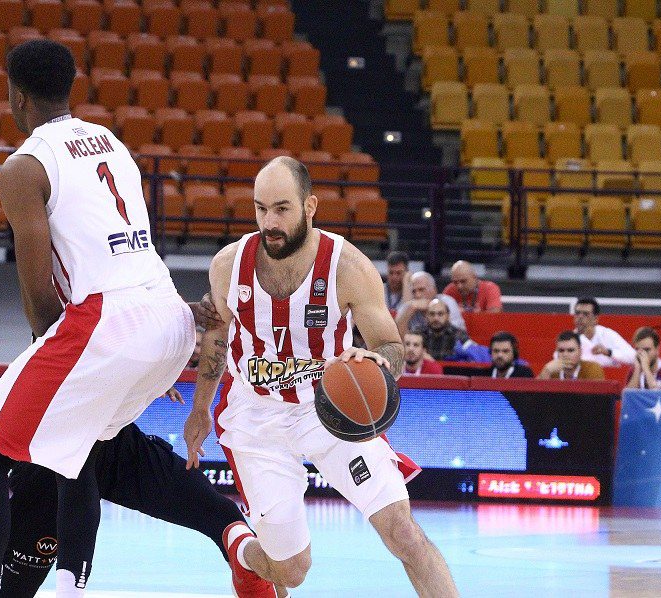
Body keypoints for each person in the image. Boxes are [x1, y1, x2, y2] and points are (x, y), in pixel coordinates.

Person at [0, 40, 268, 598]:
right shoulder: (112, 143)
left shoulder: (25, 165)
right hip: (170, 317)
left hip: (105, 324)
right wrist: (136, 356)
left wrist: (80, 358)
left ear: (16, 96)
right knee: (83, 448)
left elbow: (38, 292)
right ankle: (76, 584)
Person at [186, 157, 457, 597]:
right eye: (260, 209)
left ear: (310, 206)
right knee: (290, 570)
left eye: (281, 209)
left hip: (329, 410)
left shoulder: (347, 267)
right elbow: (217, 335)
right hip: (256, 417)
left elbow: (391, 345)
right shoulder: (228, 265)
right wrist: (200, 408)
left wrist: (375, 360)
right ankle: (240, 548)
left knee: (403, 533)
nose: (269, 222)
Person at [0, 418, 250, 598]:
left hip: (119, 446)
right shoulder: (68, 306)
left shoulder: (153, 301)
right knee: (3, 586)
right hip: (54, 461)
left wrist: (194, 397)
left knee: (224, 517)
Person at [394, 271, 465, 336]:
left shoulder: (447, 301)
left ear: (434, 290)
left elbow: (458, 333)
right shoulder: (409, 306)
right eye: (414, 291)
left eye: (421, 290)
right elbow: (396, 337)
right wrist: (410, 309)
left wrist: (432, 310)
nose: (417, 295)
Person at [573, 297, 635, 367]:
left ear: (595, 319)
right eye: (577, 313)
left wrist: (608, 352)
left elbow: (633, 357)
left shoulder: (606, 334)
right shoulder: (571, 338)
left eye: (586, 314)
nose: (580, 317)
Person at [538, 331, 605, 380]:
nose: (565, 355)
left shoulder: (592, 369)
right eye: (561, 350)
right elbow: (536, 393)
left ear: (580, 352)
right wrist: (546, 371)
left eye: (570, 350)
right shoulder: (552, 370)